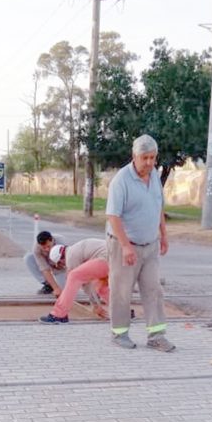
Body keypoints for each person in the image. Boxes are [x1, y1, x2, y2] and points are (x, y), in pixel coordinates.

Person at [105, 134, 173, 352]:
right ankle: (119, 333)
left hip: (150, 245)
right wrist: (125, 246)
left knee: (154, 289)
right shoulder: (121, 181)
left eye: (153, 158)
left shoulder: (154, 176)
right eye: (145, 158)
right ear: (134, 156)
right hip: (124, 245)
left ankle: (156, 336)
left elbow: (158, 206)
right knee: (122, 291)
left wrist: (163, 234)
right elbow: (113, 216)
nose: (150, 163)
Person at [40, 238, 109, 323]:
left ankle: (58, 315)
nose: (64, 266)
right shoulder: (75, 249)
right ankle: (123, 311)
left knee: (73, 276)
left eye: (61, 265)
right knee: (101, 286)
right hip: (117, 260)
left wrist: (95, 305)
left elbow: (85, 284)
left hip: (107, 258)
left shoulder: (71, 257)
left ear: (61, 260)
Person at [24, 230, 66, 296]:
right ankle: (48, 285)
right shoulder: (36, 249)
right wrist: (55, 288)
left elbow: (69, 261)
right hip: (48, 262)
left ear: (52, 240)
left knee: (65, 290)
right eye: (44, 248)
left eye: (48, 246)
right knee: (28, 258)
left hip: (61, 267)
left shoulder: (61, 241)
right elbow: (45, 269)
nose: (47, 249)